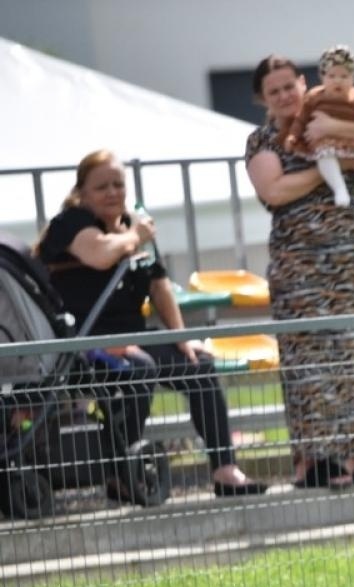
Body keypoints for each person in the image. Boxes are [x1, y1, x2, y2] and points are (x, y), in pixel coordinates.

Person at [36, 151, 265, 500]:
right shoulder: (70, 224)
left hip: (134, 336)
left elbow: (159, 287)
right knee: (137, 368)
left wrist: (181, 337)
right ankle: (119, 472)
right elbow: (100, 254)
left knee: (197, 365)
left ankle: (224, 470)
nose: (112, 192)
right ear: (82, 192)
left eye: (118, 185)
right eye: (101, 187)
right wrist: (136, 235)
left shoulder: (134, 226)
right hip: (84, 343)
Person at [244, 53, 354, 490]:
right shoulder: (262, 140)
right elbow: (274, 190)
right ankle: (316, 460)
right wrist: (330, 166)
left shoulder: (333, 111)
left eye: (289, 86)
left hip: (352, 258)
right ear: (262, 99)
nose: (284, 96)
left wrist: (339, 135)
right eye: (273, 91)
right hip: (299, 266)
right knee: (309, 364)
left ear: (303, 83)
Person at [281, 44, 354, 214]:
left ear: (353, 78)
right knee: (325, 157)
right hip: (326, 143)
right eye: (331, 76)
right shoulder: (315, 96)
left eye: (344, 76)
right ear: (322, 77)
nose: (338, 81)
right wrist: (293, 136)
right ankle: (339, 189)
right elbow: (301, 120)